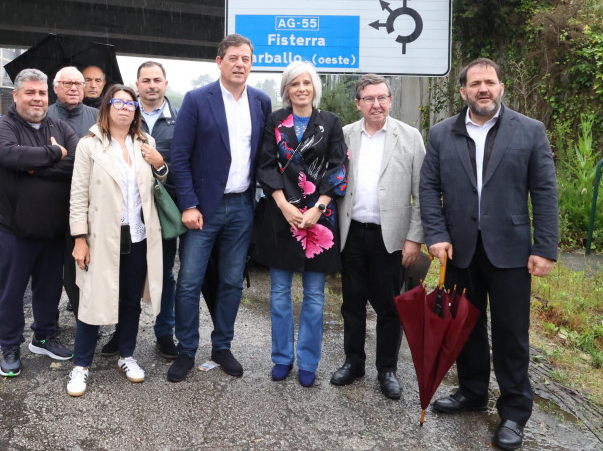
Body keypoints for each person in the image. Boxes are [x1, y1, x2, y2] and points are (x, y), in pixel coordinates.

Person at [420, 58, 558, 451]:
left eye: (490, 82)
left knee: (511, 333)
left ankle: (514, 412)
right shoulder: (442, 133)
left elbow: (545, 193)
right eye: (475, 83)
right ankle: (473, 391)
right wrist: (436, 233)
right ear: (463, 90)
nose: (483, 88)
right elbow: (429, 188)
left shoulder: (530, 131)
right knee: (464, 326)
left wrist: (545, 248)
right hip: (460, 248)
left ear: (500, 88)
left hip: (512, 251)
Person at [167, 33, 272, 382]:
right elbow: (180, 157)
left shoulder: (260, 102)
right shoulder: (198, 100)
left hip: (242, 206)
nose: (240, 64)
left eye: (246, 58)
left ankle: (222, 346)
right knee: (188, 282)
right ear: (219, 62)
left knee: (231, 282)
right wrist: (188, 204)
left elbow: (264, 156)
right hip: (203, 210)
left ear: (251, 63)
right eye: (233, 58)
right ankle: (185, 350)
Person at [66, 84, 168, 396]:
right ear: (107, 107)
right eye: (117, 102)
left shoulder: (145, 142)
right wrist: (79, 239)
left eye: (130, 103)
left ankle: (126, 355)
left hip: (138, 236)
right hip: (101, 237)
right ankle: (81, 365)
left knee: (130, 301)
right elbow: (78, 194)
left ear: (136, 110)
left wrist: (160, 164)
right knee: (93, 298)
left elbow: (158, 181)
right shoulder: (90, 145)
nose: (124, 107)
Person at [331, 73, 426, 400]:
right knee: (352, 303)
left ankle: (387, 369)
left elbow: (422, 193)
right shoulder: (343, 136)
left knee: (390, 307)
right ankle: (354, 362)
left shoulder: (410, 137)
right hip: (352, 233)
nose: (377, 104)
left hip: (392, 237)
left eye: (382, 97)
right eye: (369, 99)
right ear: (358, 103)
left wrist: (414, 238)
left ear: (390, 99)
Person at [255, 61, 347, 387]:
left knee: (315, 297)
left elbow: (338, 167)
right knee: (279, 295)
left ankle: (308, 361)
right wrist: (282, 205)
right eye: (295, 84)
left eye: (306, 83)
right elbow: (265, 164)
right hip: (282, 217)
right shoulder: (275, 121)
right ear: (286, 89)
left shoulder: (331, 123)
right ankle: (282, 358)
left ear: (315, 87)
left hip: (318, 221)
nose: (301, 88)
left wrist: (318, 208)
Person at [0, 68, 77, 377]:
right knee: (10, 293)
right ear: (16, 95)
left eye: (41, 93)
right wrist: (52, 152)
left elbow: (76, 163)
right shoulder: (2, 127)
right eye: (30, 92)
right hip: (14, 230)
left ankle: (44, 336)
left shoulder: (61, 126)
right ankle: (10, 346)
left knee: (49, 289)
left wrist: (36, 164)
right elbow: (9, 155)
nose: (37, 98)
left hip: (53, 230)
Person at [46, 66, 98, 317]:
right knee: (48, 268)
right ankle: (47, 325)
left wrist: (58, 158)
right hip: (49, 201)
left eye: (79, 83)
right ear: (55, 87)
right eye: (67, 83)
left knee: (81, 263)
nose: (74, 88)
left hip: (86, 204)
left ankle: (84, 318)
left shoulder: (99, 117)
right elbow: (37, 163)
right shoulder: (42, 116)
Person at [136, 60, 180, 359]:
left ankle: (165, 333)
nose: (152, 85)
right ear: (137, 84)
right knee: (125, 272)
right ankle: (120, 331)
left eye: (157, 80)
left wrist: (161, 163)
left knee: (163, 273)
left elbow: (188, 164)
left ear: (166, 84)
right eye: (146, 80)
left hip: (165, 208)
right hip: (127, 208)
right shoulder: (123, 115)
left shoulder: (182, 119)